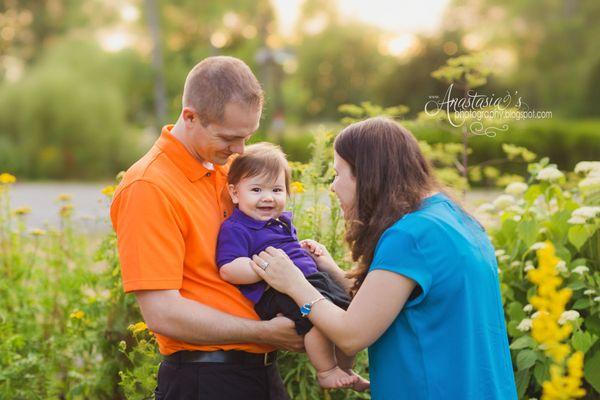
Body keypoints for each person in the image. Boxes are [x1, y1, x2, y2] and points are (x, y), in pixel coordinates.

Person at [248, 117, 518, 399]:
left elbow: (351, 336)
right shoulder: (451, 218)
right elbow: (389, 302)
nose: (333, 186)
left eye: (339, 174)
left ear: (368, 174)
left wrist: (293, 283)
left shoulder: (411, 235)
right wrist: (332, 271)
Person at [110, 56, 303, 400]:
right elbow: (163, 314)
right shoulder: (148, 187)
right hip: (205, 379)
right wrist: (264, 332)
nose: (240, 149)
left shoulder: (230, 170)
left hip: (261, 374)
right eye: (229, 137)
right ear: (190, 117)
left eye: (248, 136)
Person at [216, 143, 369, 390]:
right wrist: (265, 268)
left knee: (347, 316)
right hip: (277, 291)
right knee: (317, 322)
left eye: (276, 189)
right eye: (256, 189)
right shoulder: (236, 228)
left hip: (311, 279)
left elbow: (290, 250)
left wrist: (309, 252)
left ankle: (344, 367)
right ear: (234, 193)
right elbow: (229, 269)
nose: (267, 197)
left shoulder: (280, 222)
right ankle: (326, 371)